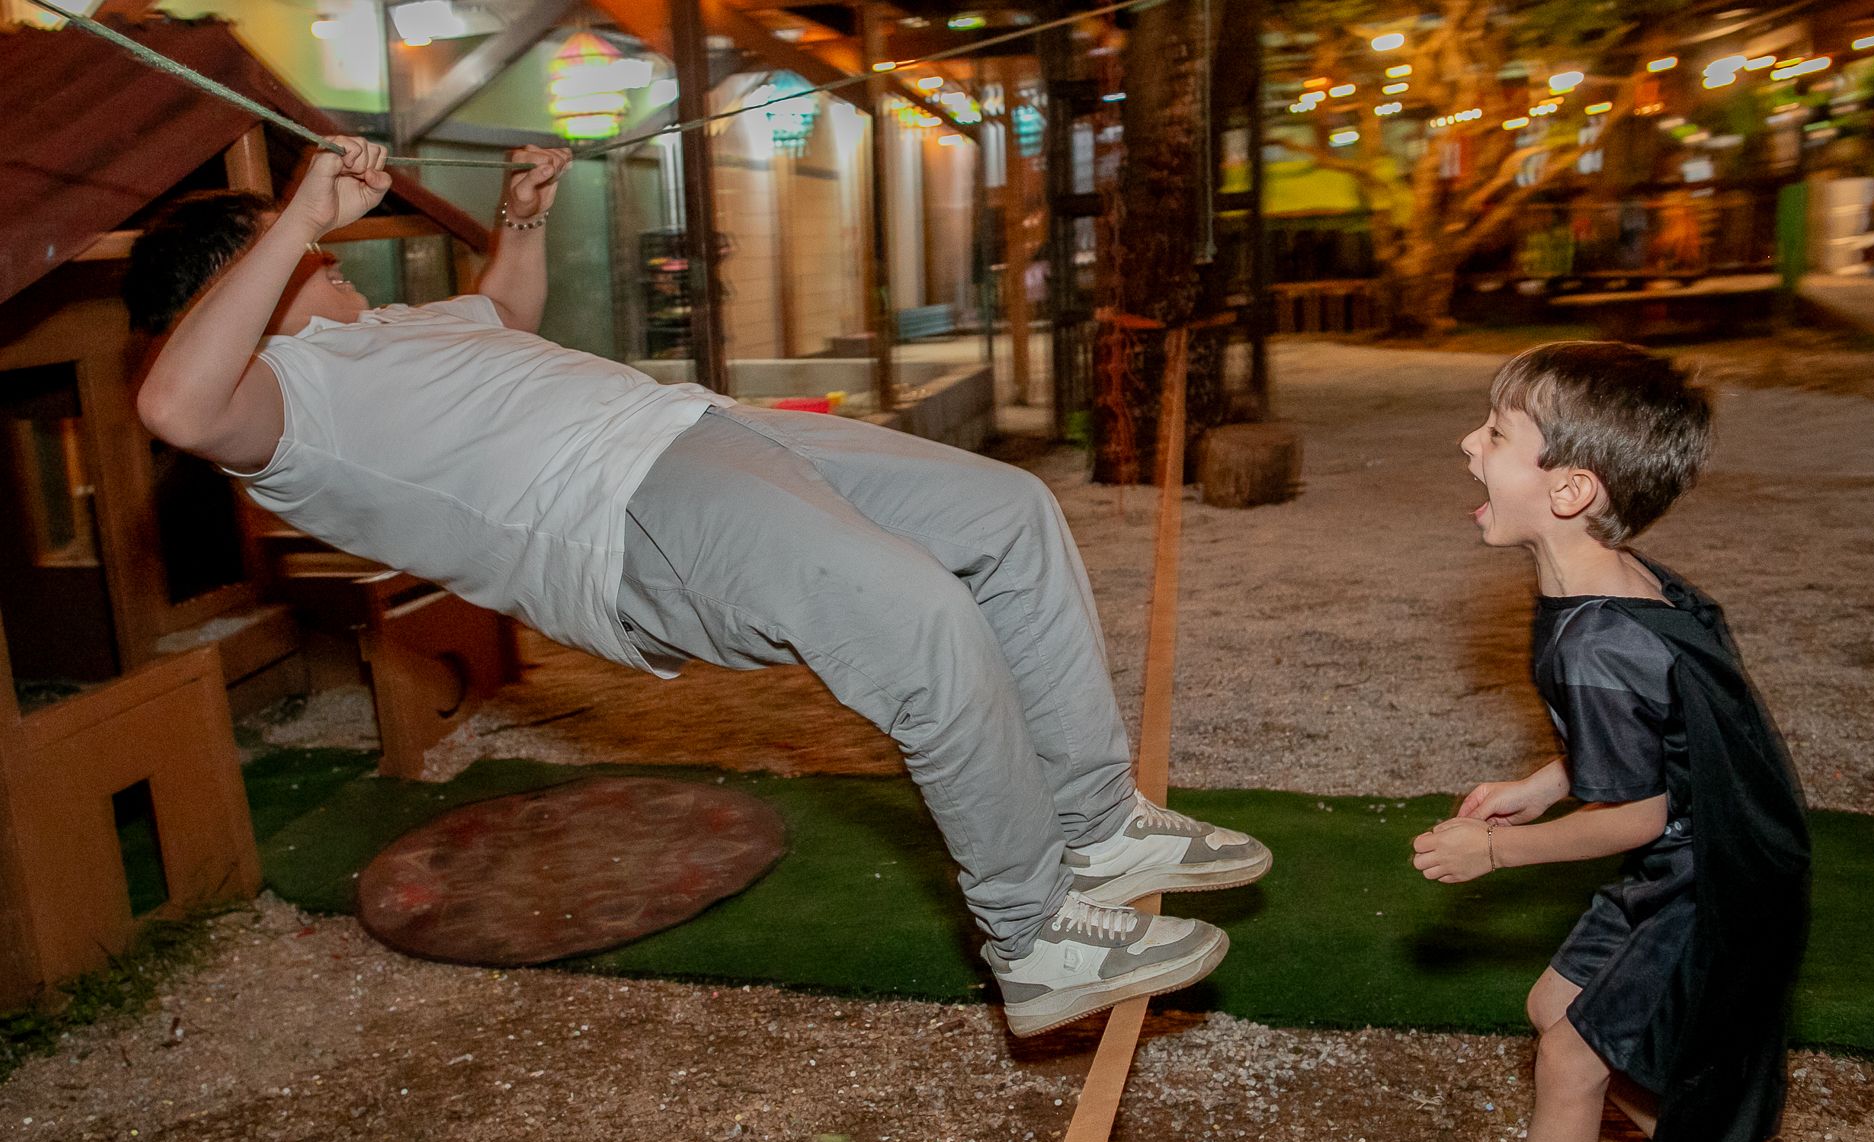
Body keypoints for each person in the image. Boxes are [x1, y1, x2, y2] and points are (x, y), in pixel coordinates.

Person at [125, 137, 1272, 1038]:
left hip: (699, 427)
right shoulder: (278, 408)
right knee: (921, 615)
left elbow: (507, 310)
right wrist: (290, 222)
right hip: (626, 512)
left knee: (1008, 516)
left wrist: (525, 207)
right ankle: (1034, 942)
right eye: (297, 253)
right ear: (235, 285)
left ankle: (1096, 824)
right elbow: (174, 405)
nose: (327, 252)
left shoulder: (388, 332)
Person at [1369, 343, 1810, 1142]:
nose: (1467, 444)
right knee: (1556, 1009)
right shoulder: (1605, 585)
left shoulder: (1595, 640)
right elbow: (1654, 734)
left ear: (1569, 490)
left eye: (1496, 434)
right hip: (1696, 855)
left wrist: (1494, 848)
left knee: (1571, 1061)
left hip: (1700, 876)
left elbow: (1637, 816)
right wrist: (1547, 781)